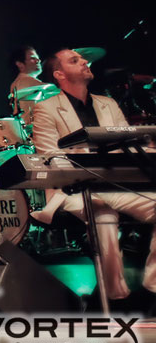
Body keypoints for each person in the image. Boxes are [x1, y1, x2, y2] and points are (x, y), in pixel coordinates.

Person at [32, 48, 155, 306]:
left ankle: (152, 287)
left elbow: (126, 144)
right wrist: (88, 167)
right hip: (72, 189)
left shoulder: (107, 104)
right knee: (103, 215)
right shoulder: (45, 109)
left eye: (83, 59)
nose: (85, 61)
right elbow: (50, 155)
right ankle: (115, 298)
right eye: (75, 60)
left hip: (114, 184)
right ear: (59, 74)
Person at [9, 45, 44, 123]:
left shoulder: (16, 83)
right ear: (20, 64)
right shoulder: (24, 80)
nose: (38, 60)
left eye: (37, 58)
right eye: (32, 58)